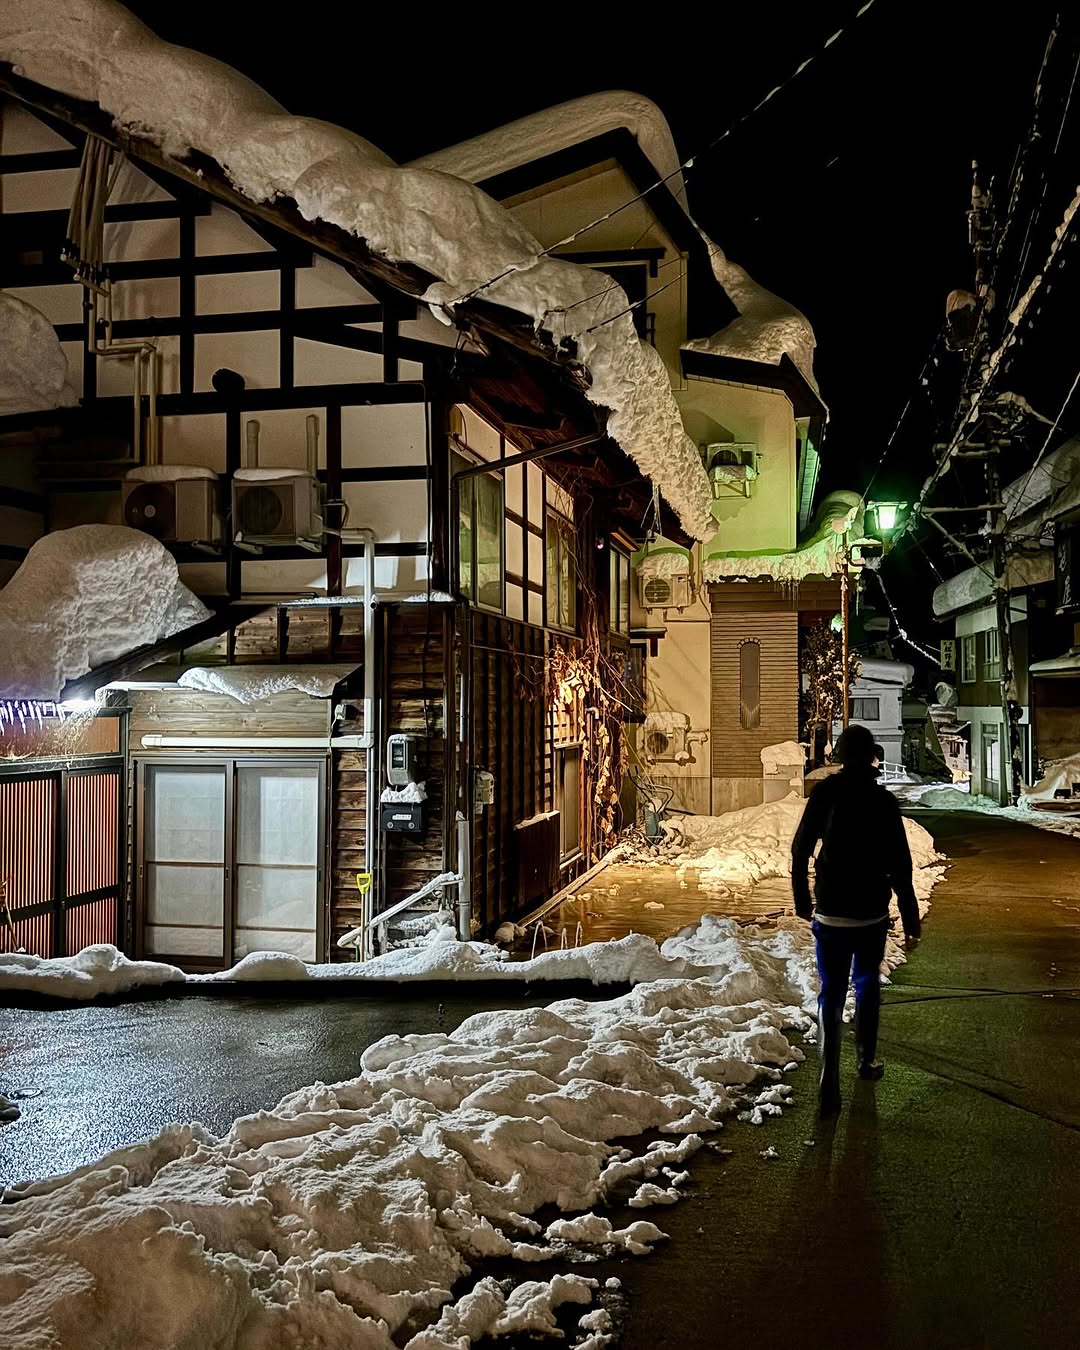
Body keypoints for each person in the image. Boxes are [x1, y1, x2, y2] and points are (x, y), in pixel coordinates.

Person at [790, 723, 922, 1117]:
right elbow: (901, 864)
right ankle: (865, 1061)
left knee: (831, 991)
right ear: (872, 758)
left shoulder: (826, 794)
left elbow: (800, 849)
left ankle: (828, 1078)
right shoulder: (882, 801)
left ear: (841, 756)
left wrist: (802, 898)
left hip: (830, 911)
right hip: (870, 913)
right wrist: (910, 916)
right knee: (866, 983)